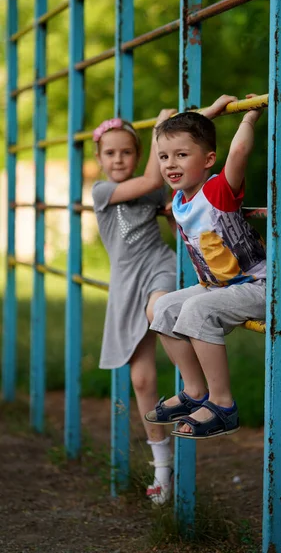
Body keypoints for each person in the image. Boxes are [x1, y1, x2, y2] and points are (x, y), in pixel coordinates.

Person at [145, 94, 266, 440]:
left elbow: (239, 153)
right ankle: (195, 391)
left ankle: (223, 404)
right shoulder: (180, 198)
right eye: (165, 157)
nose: (171, 162)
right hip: (219, 287)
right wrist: (208, 114)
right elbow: (171, 135)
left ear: (209, 159)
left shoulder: (217, 191)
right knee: (163, 307)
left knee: (197, 310)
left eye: (182, 155)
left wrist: (248, 118)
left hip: (257, 285)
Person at [91, 111, 177, 503]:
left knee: (158, 310)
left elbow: (174, 201)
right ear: (99, 159)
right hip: (126, 284)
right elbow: (151, 179)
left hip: (159, 266)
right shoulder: (101, 192)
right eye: (110, 153)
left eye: (127, 152)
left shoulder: (153, 190)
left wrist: (175, 212)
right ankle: (163, 465)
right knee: (141, 381)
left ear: (139, 152)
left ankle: (194, 381)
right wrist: (159, 128)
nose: (119, 159)